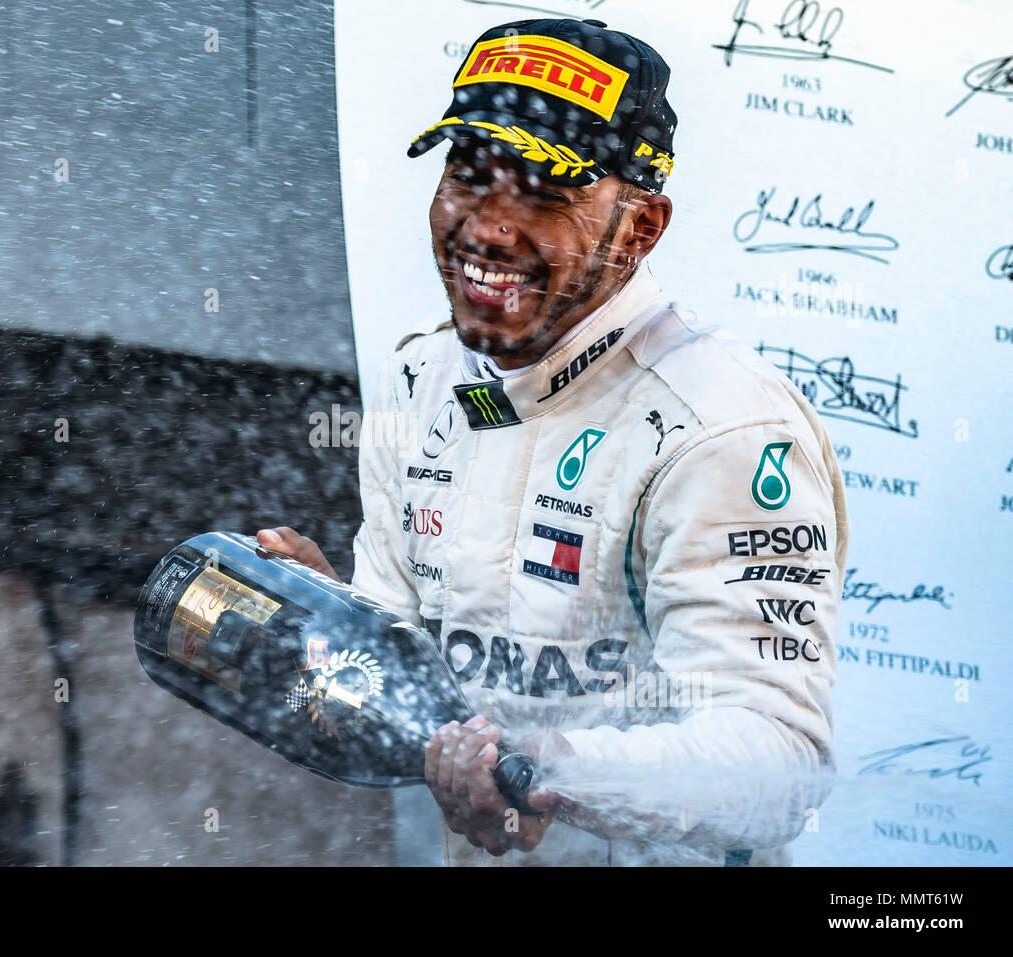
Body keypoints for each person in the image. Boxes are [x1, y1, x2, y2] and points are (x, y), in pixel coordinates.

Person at [258, 17, 849, 866]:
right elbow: (410, 696)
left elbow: (780, 767)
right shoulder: (423, 381)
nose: (489, 228)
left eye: (546, 192)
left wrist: (552, 774)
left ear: (642, 228)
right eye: (468, 175)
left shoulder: (721, 428)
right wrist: (328, 629)